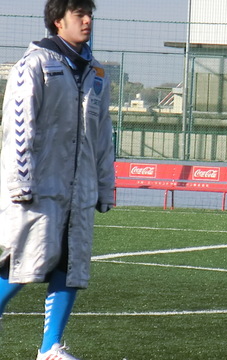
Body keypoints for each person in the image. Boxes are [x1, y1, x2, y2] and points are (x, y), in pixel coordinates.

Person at [0, 0, 114, 358]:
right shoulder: (34, 64)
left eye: (89, 14)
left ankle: (50, 349)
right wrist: (21, 181)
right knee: (23, 261)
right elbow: (19, 127)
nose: (87, 20)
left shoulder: (97, 72)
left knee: (71, 263)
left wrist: (104, 184)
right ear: (57, 21)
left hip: (78, 190)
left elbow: (102, 134)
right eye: (79, 14)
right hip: (38, 188)